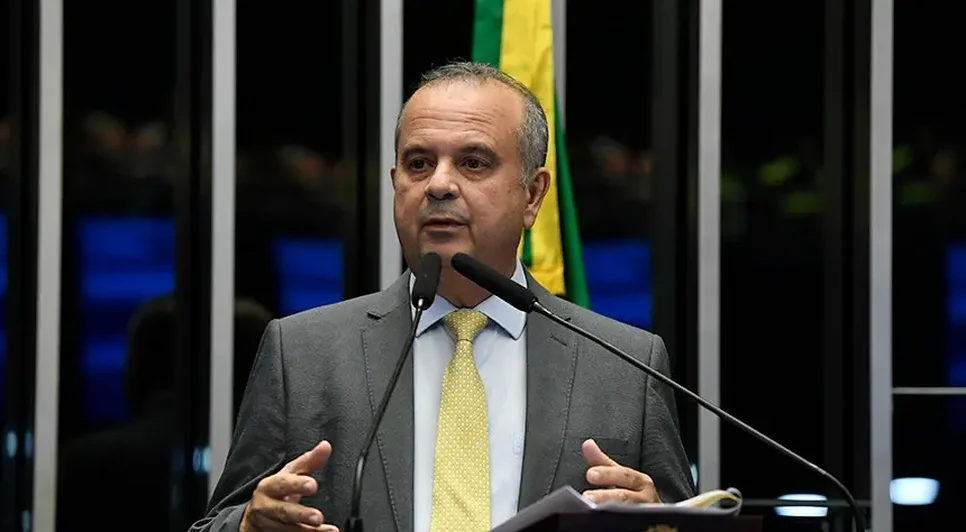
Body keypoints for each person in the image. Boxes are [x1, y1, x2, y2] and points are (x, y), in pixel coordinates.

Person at [191, 61, 694, 532]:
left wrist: (659, 524)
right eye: (418, 163)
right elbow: (219, 520)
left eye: (473, 163)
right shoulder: (301, 354)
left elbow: (678, 520)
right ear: (395, 185)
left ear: (533, 195)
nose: (438, 185)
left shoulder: (626, 365)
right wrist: (247, 524)